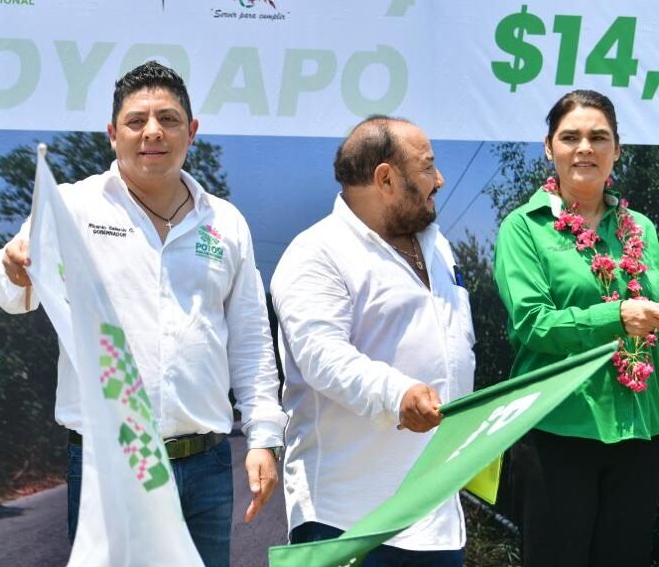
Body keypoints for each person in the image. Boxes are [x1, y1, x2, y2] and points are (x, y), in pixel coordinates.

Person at [0, 61, 286, 567]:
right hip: (110, 461)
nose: (153, 132)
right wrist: (17, 270)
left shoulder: (226, 223)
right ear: (112, 135)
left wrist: (263, 439)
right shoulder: (74, 206)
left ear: (191, 131)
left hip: (207, 465)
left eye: (168, 119)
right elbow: (9, 283)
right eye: (136, 121)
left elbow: (251, 341)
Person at [270, 116, 475, 565]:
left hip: (436, 515)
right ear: (386, 179)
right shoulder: (316, 253)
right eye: (427, 168)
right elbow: (323, 356)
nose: (439, 180)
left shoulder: (439, 248)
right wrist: (398, 393)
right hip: (349, 520)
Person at [494, 90, 659, 567]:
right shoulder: (524, 228)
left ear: (617, 150)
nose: (584, 147)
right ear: (549, 148)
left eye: (598, 137)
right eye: (571, 137)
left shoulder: (642, 230)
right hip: (557, 431)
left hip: (639, 432)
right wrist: (616, 317)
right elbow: (532, 324)